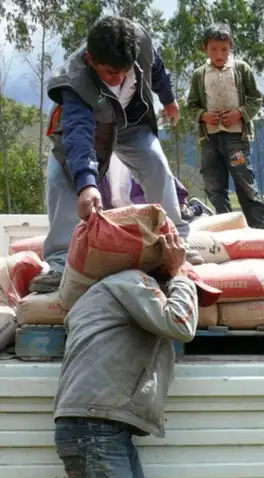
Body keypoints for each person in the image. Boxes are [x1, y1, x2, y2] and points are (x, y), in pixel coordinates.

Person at [31, 16, 203, 295]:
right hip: (90, 129)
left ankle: (175, 241)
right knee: (60, 175)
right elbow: (78, 134)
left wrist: (169, 100)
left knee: (156, 164)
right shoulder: (74, 80)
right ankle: (62, 260)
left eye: (124, 71)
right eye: (110, 73)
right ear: (90, 59)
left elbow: (156, 69)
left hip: (131, 123)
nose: (119, 79)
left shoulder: (141, 43)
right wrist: (87, 184)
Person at [53, 232, 220, 478]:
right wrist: (180, 275)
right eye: (181, 289)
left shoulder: (108, 292)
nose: (183, 295)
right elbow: (180, 324)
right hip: (95, 427)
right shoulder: (132, 282)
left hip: (99, 426)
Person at [186, 23, 264, 229]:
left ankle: (259, 229)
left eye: (224, 49)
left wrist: (239, 113)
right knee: (214, 185)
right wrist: (203, 116)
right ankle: (228, 228)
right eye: (213, 49)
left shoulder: (241, 69)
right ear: (205, 49)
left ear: (230, 47)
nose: (219, 54)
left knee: (245, 183)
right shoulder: (199, 75)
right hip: (210, 140)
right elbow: (191, 106)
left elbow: (256, 99)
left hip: (236, 139)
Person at [97, 155, 214, 221]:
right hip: (126, 214)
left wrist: (180, 199)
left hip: (153, 205)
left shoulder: (138, 155)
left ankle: (196, 208)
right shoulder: (100, 165)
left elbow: (165, 179)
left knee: (181, 216)